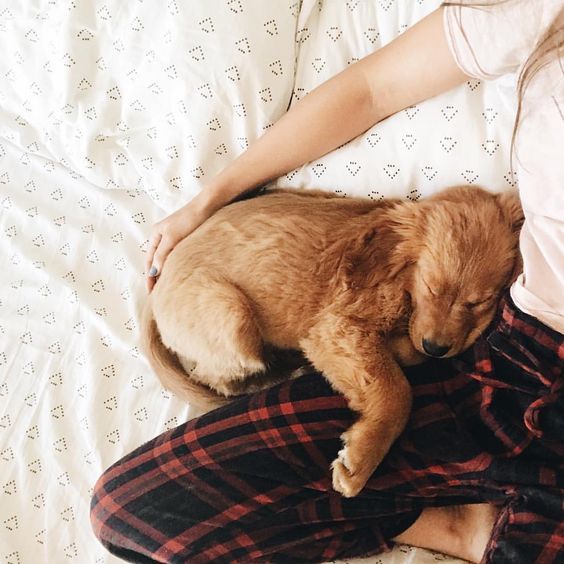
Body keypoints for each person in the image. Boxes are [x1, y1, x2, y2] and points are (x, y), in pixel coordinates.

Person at [90, 1, 564, 562]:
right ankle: (458, 523)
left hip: (499, 349)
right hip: (513, 357)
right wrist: (208, 202)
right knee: (134, 511)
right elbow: (371, 88)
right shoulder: (543, 13)